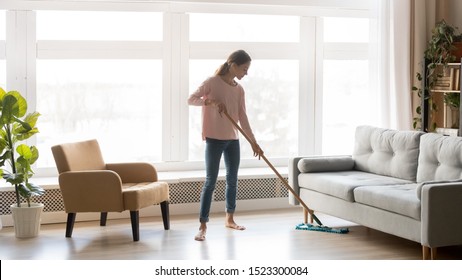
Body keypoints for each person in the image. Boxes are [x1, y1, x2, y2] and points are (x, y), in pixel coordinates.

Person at [188, 49, 263, 241]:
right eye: (244, 68)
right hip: (214, 139)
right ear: (233, 65)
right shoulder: (211, 82)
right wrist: (210, 102)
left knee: (232, 180)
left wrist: (254, 142)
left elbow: (243, 118)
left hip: (233, 140)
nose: (246, 73)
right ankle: (203, 225)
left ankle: (230, 219)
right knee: (210, 181)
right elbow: (191, 99)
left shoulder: (239, 89)